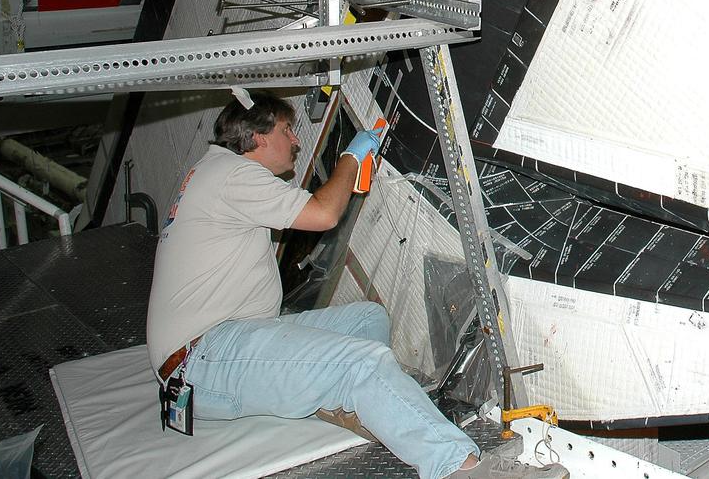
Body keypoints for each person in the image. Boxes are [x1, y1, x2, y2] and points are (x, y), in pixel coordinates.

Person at [146, 91, 567, 479]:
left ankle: (391, 413)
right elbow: (323, 215)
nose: (295, 141)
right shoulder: (232, 176)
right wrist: (351, 155)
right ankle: (461, 468)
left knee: (368, 318)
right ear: (257, 137)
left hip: (224, 345)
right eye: (287, 130)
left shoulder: (215, 172)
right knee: (360, 362)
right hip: (202, 362)